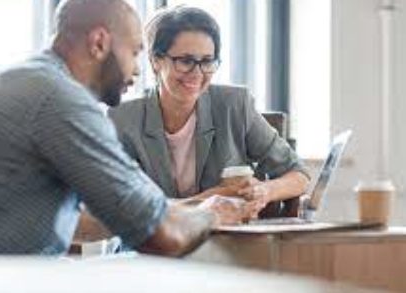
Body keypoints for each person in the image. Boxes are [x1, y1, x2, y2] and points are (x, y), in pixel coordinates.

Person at [0, 0, 243, 255]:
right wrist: (212, 214)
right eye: (134, 52)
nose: (136, 70)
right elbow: (163, 237)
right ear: (99, 42)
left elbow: (77, 223)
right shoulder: (61, 100)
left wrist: (187, 207)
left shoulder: (25, 80)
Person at [108, 6, 310, 219]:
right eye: (185, 61)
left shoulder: (234, 105)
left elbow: (299, 174)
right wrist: (210, 199)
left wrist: (264, 191)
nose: (197, 73)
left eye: (207, 61)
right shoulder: (123, 120)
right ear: (156, 61)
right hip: (150, 245)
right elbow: (128, 209)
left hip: (227, 242)